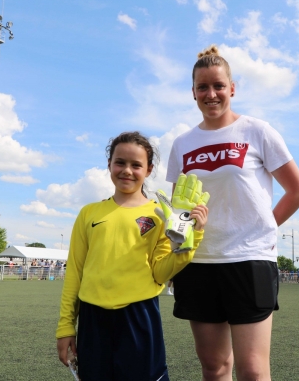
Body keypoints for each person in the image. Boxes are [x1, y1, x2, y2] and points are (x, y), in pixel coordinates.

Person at [166, 45, 299, 381]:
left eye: (218, 86)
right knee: (215, 367)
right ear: (193, 93)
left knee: (253, 371)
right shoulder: (182, 144)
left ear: (232, 88)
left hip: (249, 261)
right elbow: (178, 208)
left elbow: (297, 191)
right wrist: (176, 247)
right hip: (199, 262)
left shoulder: (258, 131)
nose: (211, 94)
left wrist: (263, 228)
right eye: (203, 87)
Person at [56, 131, 209, 381]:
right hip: (93, 318)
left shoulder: (159, 214)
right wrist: (65, 327)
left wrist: (192, 239)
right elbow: (74, 273)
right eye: (120, 162)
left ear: (148, 170)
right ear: (109, 165)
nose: (127, 170)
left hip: (139, 316)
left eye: (136, 165)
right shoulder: (89, 213)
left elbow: (160, 273)